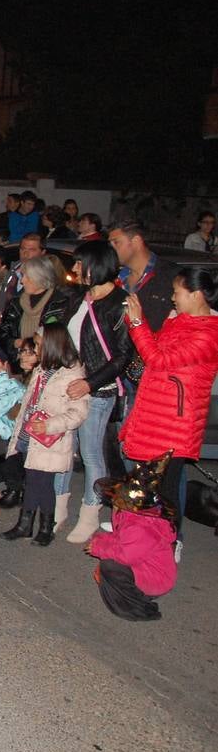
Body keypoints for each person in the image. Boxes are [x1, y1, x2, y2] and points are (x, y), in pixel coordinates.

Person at [119, 267, 218, 561]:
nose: (173, 299)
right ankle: (142, 532)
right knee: (146, 480)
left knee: (168, 487)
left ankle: (171, 541)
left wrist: (138, 322)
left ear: (196, 294)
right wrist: (144, 325)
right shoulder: (181, 322)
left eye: (177, 293)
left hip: (176, 422)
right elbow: (153, 347)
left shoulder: (209, 334)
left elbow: (157, 360)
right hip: (155, 414)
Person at [61, 241, 132, 542]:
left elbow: (122, 355)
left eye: (80, 263)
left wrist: (90, 383)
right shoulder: (81, 295)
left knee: (91, 452)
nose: (74, 268)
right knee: (64, 447)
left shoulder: (120, 303)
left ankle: (91, 511)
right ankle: (59, 507)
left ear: (96, 264)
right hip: (71, 380)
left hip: (99, 389)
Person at [0, 325, 90, 546]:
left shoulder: (72, 374)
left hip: (50, 439)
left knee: (44, 484)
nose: (36, 349)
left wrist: (49, 425)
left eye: (39, 345)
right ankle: (25, 524)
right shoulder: (42, 369)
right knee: (31, 480)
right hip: (29, 434)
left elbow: (77, 413)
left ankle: (46, 526)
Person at [88, 456, 179, 621]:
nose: (113, 500)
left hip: (156, 578)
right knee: (109, 563)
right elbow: (120, 540)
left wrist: (99, 548)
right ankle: (128, 593)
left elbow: (126, 555)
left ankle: (138, 606)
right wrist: (100, 541)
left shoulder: (140, 526)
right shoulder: (130, 517)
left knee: (111, 566)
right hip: (145, 567)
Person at [0, 255, 77, 360]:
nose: (22, 281)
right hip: (20, 363)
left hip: (47, 363)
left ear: (40, 278)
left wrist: (28, 344)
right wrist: (14, 343)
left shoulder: (60, 304)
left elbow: (58, 339)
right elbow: (4, 332)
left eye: (27, 277)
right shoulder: (16, 303)